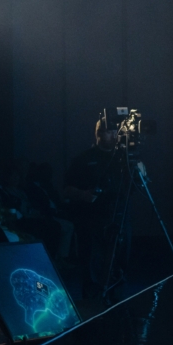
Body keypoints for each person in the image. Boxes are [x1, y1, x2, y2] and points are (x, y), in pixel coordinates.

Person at [64, 118, 128, 299]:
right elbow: (67, 189)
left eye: (116, 132)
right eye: (109, 131)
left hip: (119, 217)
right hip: (91, 220)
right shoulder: (83, 159)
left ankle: (117, 299)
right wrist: (84, 195)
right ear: (98, 133)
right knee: (92, 262)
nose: (114, 135)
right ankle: (92, 304)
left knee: (119, 261)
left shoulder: (123, 159)